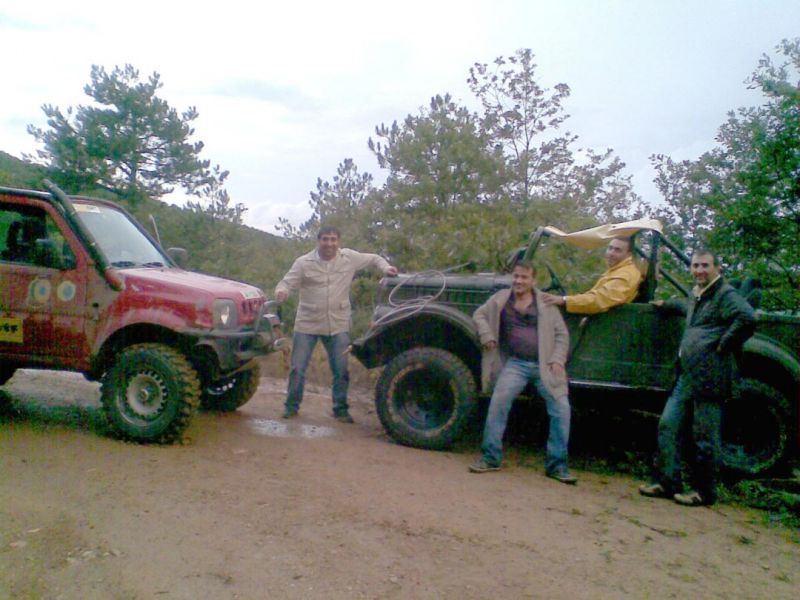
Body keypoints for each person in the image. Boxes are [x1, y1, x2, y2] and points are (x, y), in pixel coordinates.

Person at [639, 248, 755, 506]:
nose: (699, 270)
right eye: (695, 266)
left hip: (710, 376)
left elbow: (747, 318)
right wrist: (666, 304)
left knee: (705, 437)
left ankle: (704, 492)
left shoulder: (725, 294)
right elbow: (688, 307)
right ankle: (667, 482)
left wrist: (724, 344)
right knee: (668, 425)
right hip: (688, 373)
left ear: (717, 268)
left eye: (705, 265)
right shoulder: (700, 293)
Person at [275, 226, 398, 423]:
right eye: (325, 239)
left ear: (338, 242)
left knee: (341, 370)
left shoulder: (349, 258)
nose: (329, 243)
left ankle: (340, 409)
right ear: (318, 241)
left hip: (337, 323)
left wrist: (386, 268)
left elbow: (375, 258)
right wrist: (281, 292)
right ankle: (291, 407)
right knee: (298, 368)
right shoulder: (303, 262)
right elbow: (286, 282)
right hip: (307, 323)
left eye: (333, 239)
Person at [469, 260, 576, 484]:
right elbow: (479, 314)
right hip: (516, 364)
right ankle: (490, 458)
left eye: (524, 277)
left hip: (545, 366)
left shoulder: (545, 303)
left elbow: (562, 335)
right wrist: (487, 334)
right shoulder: (501, 299)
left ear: (533, 280)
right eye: (516, 276)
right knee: (498, 404)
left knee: (561, 409)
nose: (518, 281)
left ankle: (557, 466)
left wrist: (557, 359)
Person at [540, 236, 642, 313]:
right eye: (610, 248)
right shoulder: (616, 270)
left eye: (617, 250)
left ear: (629, 255)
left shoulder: (626, 274)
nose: (611, 253)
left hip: (610, 325)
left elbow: (600, 300)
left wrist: (564, 300)